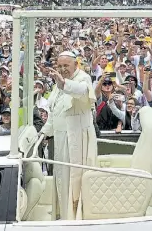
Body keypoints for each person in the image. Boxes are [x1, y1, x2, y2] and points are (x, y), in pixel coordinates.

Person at [40, 51, 97, 220]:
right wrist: (43, 133)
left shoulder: (82, 78)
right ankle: (64, 216)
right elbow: (56, 111)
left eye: (66, 66)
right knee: (61, 180)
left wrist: (64, 83)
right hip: (60, 140)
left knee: (73, 182)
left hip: (76, 141)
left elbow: (82, 91)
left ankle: (73, 219)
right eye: (60, 66)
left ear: (76, 65)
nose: (63, 69)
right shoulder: (58, 83)